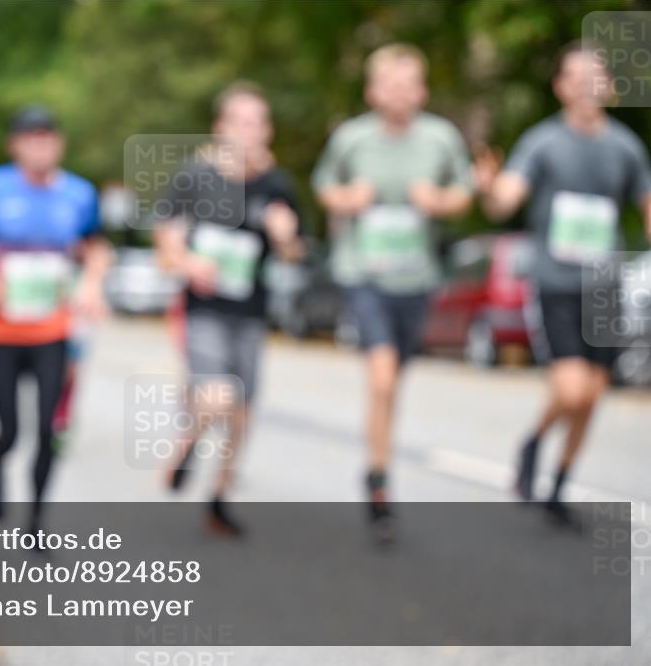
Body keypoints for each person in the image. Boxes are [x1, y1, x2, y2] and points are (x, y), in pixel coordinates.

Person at [475, 43, 651, 524]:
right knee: (571, 390)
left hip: (604, 284)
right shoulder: (542, 143)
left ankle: (558, 482)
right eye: (573, 76)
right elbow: (504, 201)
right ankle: (534, 441)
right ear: (560, 87)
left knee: (593, 394)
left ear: (610, 88)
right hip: (555, 283)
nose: (585, 86)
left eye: (594, 76)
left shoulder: (625, 148)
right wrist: (490, 187)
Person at [312, 44, 473, 540]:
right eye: (391, 84)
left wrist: (439, 201)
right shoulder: (352, 138)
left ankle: (377, 460)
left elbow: (465, 195)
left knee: (393, 379)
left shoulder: (441, 138)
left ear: (422, 90)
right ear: (373, 90)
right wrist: (348, 198)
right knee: (381, 376)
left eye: (410, 84)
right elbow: (324, 189)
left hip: (415, 278)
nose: (401, 94)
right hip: (364, 273)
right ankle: (379, 481)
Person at [0, 106, 111, 533]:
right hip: (2, 331)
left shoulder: (79, 193)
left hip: (53, 332)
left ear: (60, 143)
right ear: (14, 145)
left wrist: (92, 282)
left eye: (49, 137)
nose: (41, 145)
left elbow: (97, 246)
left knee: (50, 427)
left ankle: (36, 519)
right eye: (31, 137)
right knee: (10, 429)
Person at [154, 81, 304, 536]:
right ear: (220, 128)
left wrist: (285, 237)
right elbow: (165, 250)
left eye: (256, 123)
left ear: (267, 131)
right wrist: (188, 261)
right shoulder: (193, 179)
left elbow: (296, 253)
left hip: (252, 314)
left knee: (242, 413)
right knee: (218, 397)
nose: (247, 132)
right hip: (203, 311)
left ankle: (218, 497)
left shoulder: (277, 186)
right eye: (239, 122)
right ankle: (190, 439)